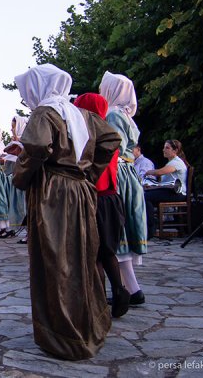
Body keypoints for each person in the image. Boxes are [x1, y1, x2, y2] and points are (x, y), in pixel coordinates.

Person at [13, 64, 121, 360]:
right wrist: (88, 172)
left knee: (56, 258)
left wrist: (20, 176)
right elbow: (111, 140)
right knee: (81, 256)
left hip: (54, 193)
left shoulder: (45, 113)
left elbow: (36, 147)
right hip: (81, 192)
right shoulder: (80, 114)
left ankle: (65, 335)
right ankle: (88, 325)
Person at [74, 93, 130, 318]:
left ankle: (98, 301)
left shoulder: (89, 136)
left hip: (95, 198)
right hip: (111, 198)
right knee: (108, 251)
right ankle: (119, 289)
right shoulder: (109, 133)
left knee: (94, 253)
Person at [100, 71, 148, 306]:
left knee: (116, 229)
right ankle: (132, 289)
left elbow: (112, 148)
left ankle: (127, 290)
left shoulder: (113, 115)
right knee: (121, 232)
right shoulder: (126, 115)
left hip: (117, 173)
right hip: (127, 173)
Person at [143, 140, 189, 239]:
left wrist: (148, 172)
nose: (164, 150)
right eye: (164, 147)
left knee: (145, 197)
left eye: (167, 148)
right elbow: (163, 183)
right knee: (146, 195)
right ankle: (150, 227)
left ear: (175, 150)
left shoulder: (176, 162)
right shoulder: (172, 162)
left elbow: (160, 172)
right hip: (171, 191)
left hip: (177, 193)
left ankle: (150, 229)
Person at [3, 116, 28, 240]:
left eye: (13, 127)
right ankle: (14, 229)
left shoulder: (27, 141)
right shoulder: (15, 141)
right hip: (16, 175)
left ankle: (29, 233)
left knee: (24, 204)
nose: (11, 129)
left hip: (24, 177)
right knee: (17, 204)